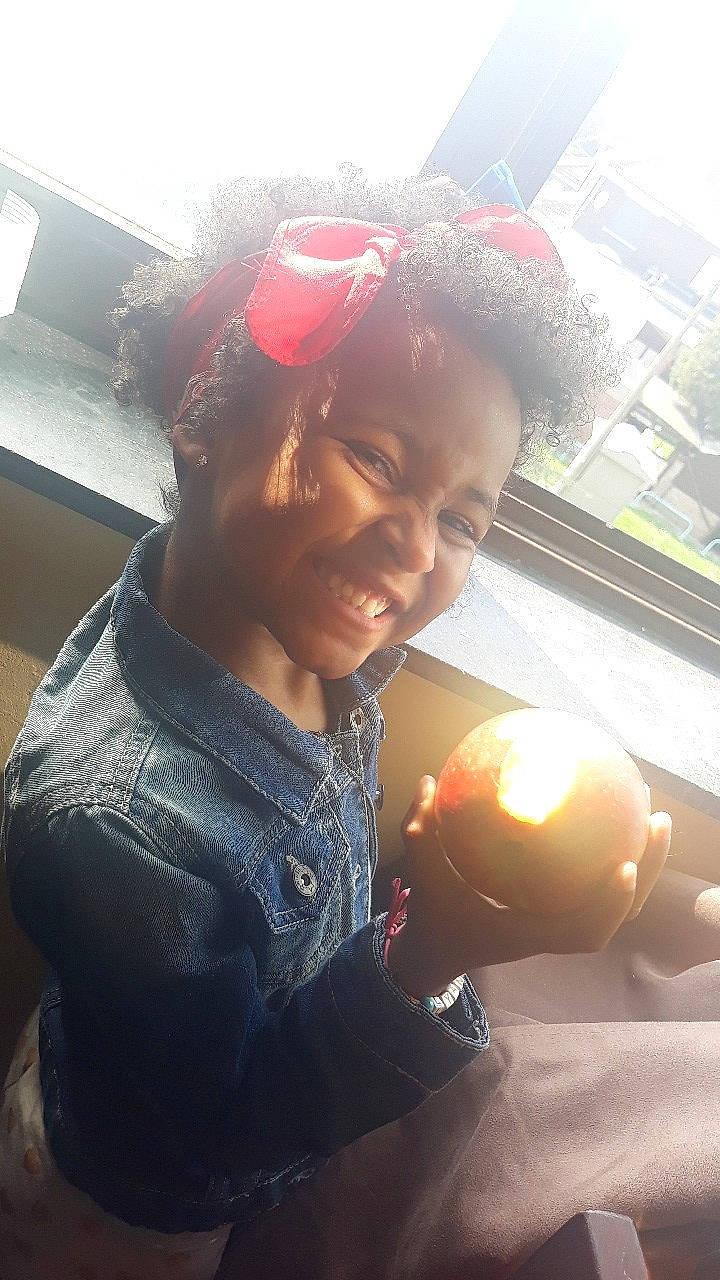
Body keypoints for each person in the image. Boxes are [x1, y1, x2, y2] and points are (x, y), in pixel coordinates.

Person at [0, 169, 671, 1278]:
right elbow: (203, 1148)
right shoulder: (119, 823)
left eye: (462, 518)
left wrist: (432, 881)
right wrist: (434, 953)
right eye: (375, 461)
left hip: (142, 1064)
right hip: (124, 1221)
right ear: (206, 409)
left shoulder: (298, 637)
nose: (415, 546)